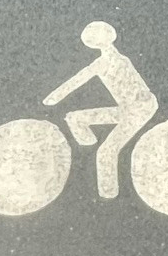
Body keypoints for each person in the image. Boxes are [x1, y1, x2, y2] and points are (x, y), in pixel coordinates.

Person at [43, 22, 159, 200]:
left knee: (106, 152)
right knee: (74, 118)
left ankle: (109, 193)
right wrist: (53, 98)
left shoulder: (106, 63)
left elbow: (76, 81)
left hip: (137, 111)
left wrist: (54, 98)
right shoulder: (118, 60)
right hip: (132, 109)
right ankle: (87, 142)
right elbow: (76, 81)